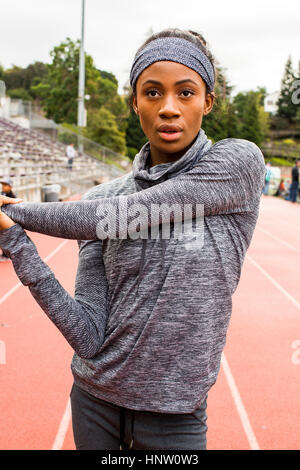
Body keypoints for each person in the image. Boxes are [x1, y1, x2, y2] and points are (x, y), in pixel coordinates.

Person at [0, 28, 266, 451]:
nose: (168, 109)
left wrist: (13, 211)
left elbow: (126, 216)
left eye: (185, 93)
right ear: (135, 101)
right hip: (94, 404)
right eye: (153, 93)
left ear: (207, 101)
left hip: (174, 416)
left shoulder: (237, 165)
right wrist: (15, 240)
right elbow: (87, 335)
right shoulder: (101, 199)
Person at [0, 177, 16, 261]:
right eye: (2, 185)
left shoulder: (12, 197)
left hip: (8, 219)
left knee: (7, 238)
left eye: (5, 185)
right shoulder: (2, 194)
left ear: (10, 187)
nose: (3, 187)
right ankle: (4, 253)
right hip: (1, 219)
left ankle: (7, 255)